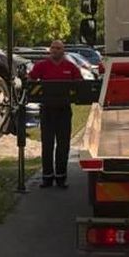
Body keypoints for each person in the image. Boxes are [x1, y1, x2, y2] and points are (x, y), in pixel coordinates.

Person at [28, 40, 82, 188]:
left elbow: (80, 84)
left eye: (58, 48)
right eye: (53, 48)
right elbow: (31, 80)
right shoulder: (41, 65)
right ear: (50, 50)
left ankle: (61, 178)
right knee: (47, 145)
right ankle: (47, 178)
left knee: (63, 145)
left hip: (64, 110)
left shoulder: (70, 67)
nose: (55, 50)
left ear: (63, 51)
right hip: (47, 110)